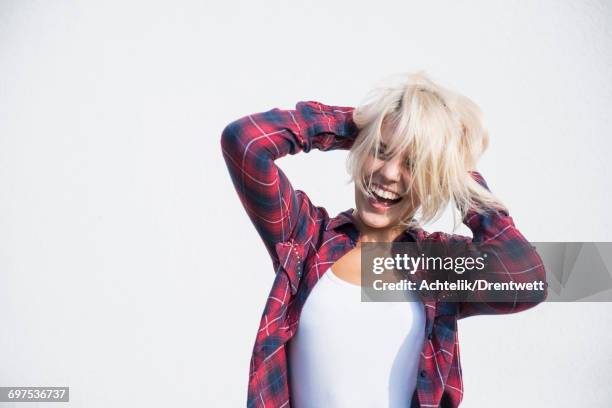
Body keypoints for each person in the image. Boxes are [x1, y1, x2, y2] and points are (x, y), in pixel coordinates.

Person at [220, 71, 547, 408]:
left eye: (413, 163)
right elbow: (246, 142)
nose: (389, 174)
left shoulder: (438, 264)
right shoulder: (307, 240)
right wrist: (363, 123)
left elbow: (528, 280)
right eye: (379, 150)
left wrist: (460, 177)